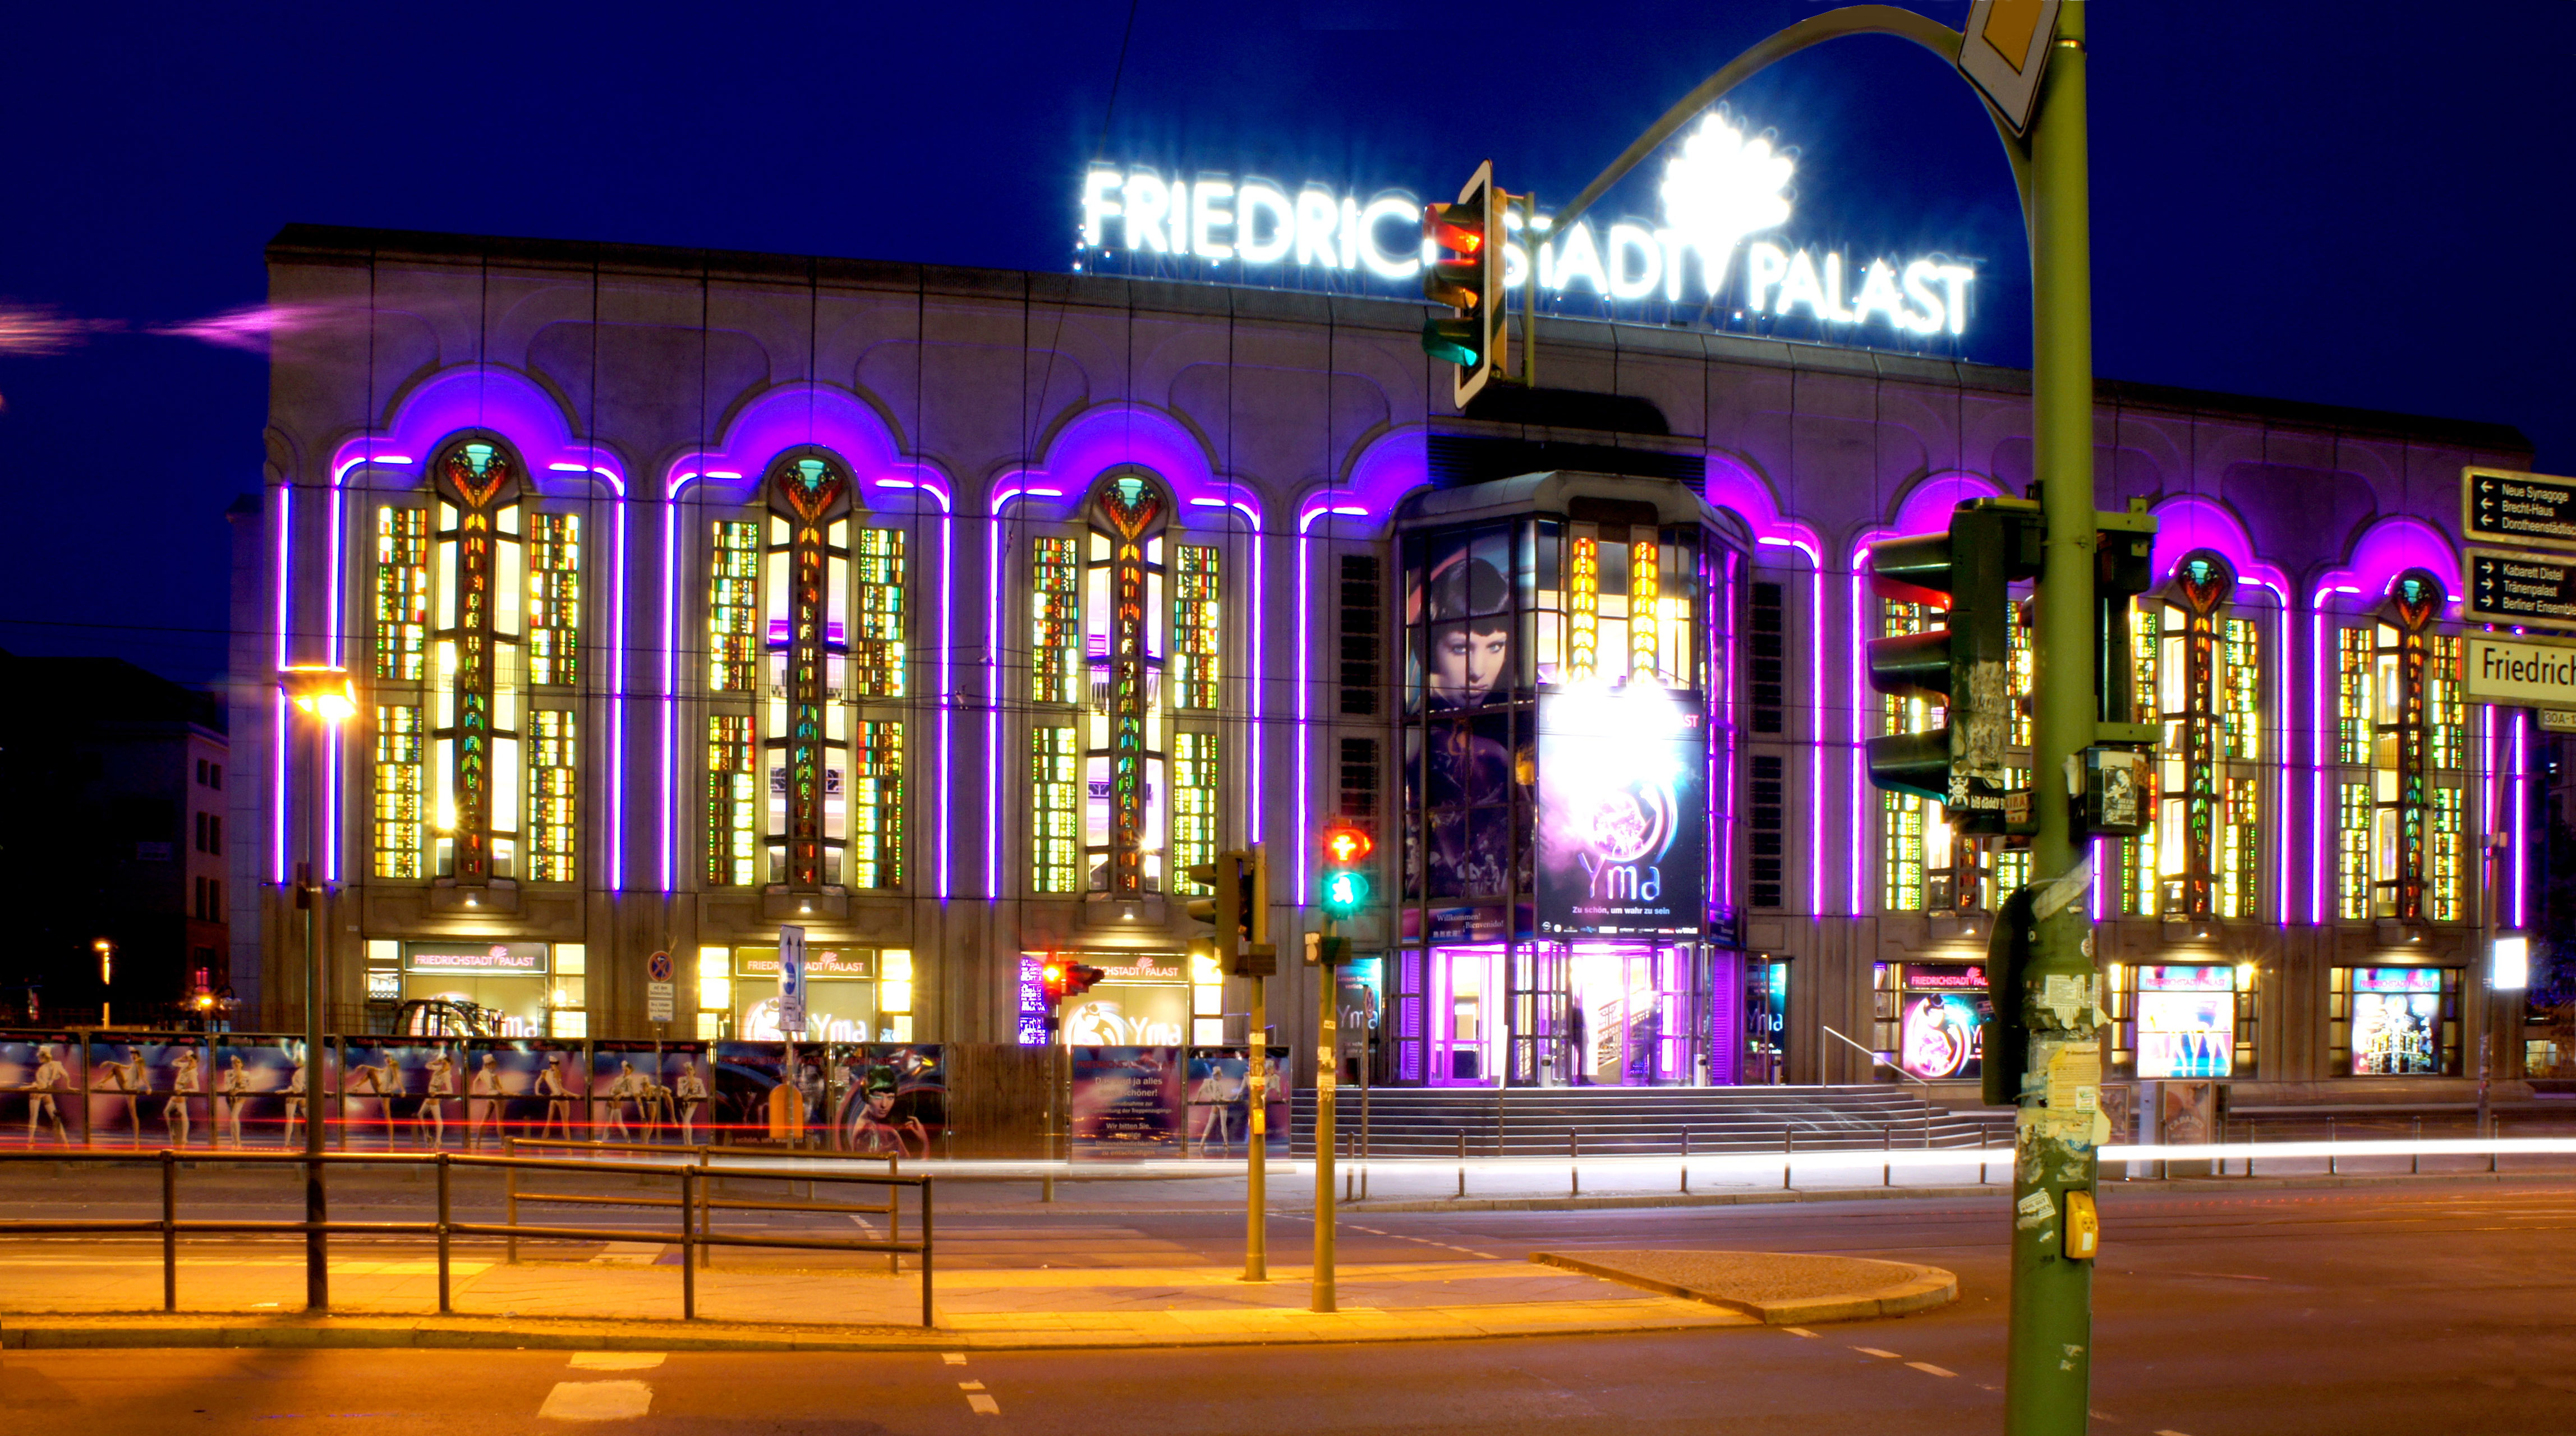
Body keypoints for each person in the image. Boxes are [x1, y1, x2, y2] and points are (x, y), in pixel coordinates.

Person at [96, 1047, 145, 1147]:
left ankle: (137, 1139)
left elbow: (143, 1076)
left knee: (133, 1114)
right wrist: (109, 1062)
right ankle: (101, 1083)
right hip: (126, 1086)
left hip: (131, 1090)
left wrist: (148, 1087)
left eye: (135, 1055)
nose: (133, 1056)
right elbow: (123, 1066)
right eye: (132, 1055)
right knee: (116, 1069)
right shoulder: (132, 1065)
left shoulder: (139, 1064)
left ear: (138, 1056)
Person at [22, 1044, 70, 1145]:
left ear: (44, 1056)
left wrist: (69, 1087)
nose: (39, 1058)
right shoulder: (54, 1065)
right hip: (43, 1090)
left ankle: (31, 1139)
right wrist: (69, 1086)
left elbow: (42, 1085)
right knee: (51, 1117)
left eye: (40, 1057)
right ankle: (65, 1140)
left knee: (36, 1117)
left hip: (39, 1091)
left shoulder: (49, 1067)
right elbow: (65, 1075)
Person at [417, 1051, 456, 1148]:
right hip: (430, 1095)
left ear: (449, 1065)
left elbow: (450, 1091)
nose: (443, 1065)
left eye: (445, 1063)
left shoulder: (447, 1075)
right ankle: (427, 1137)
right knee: (420, 1114)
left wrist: (438, 1093)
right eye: (442, 1063)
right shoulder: (439, 1069)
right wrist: (436, 1062)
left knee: (438, 1120)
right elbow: (428, 1066)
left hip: (435, 1096)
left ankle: (438, 1141)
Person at [465, 1053, 503, 1151]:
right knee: (500, 1122)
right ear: (490, 1064)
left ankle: (478, 1143)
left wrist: (475, 1092)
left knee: (484, 1120)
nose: (495, 1065)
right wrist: (513, 1094)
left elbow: (475, 1082)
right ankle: (503, 1143)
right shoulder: (493, 1075)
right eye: (494, 1064)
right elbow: (500, 1089)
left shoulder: (482, 1073)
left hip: (489, 1095)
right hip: (496, 1096)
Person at [165, 1049, 201, 1149]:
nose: (190, 1062)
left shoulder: (193, 1073)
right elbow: (174, 1063)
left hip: (181, 1092)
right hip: (176, 1091)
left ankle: (185, 1138)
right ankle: (172, 1133)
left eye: (191, 1061)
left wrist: (185, 1092)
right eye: (189, 1060)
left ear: (196, 1062)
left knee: (184, 1116)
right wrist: (183, 1058)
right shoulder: (185, 1066)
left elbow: (197, 1089)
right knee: (167, 1112)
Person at [535, 1053, 576, 1141]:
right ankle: (569, 1148)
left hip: (553, 1097)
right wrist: (574, 1095)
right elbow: (561, 1089)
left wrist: (537, 1092)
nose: (554, 1066)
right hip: (560, 1097)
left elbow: (538, 1083)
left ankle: (542, 1146)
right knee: (565, 1124)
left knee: (549, 1123)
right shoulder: (555, 1073)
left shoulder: (545, 1072)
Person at [216, 1054, 252, 1149]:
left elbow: (249, 1087)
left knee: (235, 1116)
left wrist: (240, 1090)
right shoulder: (228, 1073)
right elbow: (226, 1085)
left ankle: (238, 1141)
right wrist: (234, 1080)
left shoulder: (246, 1074)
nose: (237, 1064)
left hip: (241, 1095)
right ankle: (234, 1140)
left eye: (239, 1062)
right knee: (233, 1118)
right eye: (235, 1063)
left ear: (242, 1064)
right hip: (230, 1095)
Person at [602, 1060, 644, 1140]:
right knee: (608, 1124)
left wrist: (621, 1094)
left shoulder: (630, 1080)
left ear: (631, 1071)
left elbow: (630, 1092)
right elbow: (613, 1088)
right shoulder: (619, 1078)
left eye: (627, 1070)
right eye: (624, 1070)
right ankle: (602, 1145)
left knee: (620, 1124)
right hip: (611, 1098)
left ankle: (629, 1142)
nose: (625, 1071)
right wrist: (612, 1091)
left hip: (617, 1100)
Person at [673, 1059, 707, 1145]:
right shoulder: (681, 1080)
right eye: (687, 1070)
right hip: (683, 1103)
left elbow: (704, 1094)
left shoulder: (698, 1081)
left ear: (694, 1071)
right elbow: (679, 1093)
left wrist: (694, 1096)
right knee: (685, 1122)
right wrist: (687, 1086)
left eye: (691, 1069)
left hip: (693, 1102)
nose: (689, 1071)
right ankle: (686, 1143)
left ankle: (690, 1143)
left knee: (687, 1120)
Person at [281, 1050, 308, 1148]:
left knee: (291, 1119)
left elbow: (298, 1088)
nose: (296, 1063)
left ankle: (288, 1142)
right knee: (291, 1119)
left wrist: (287, 1091)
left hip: (297, 1094)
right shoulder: (305, 1072)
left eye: (297, 1061)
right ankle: (287, 1142)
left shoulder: (301, 1072)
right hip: (298, 1095)